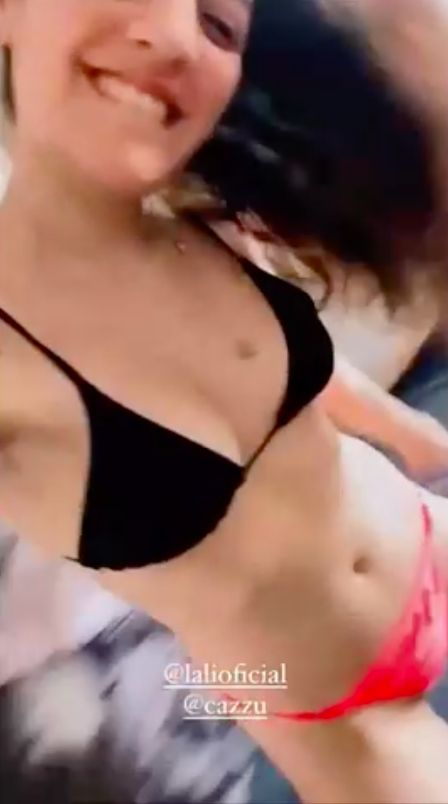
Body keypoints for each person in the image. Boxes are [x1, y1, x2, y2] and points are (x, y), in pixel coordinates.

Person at [1, 2, 448, 803]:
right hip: (335, 712)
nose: (176, 35)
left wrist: (412, 433)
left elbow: (275, 368)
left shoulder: (194, 221)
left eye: (217, 25)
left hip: (422, 532)